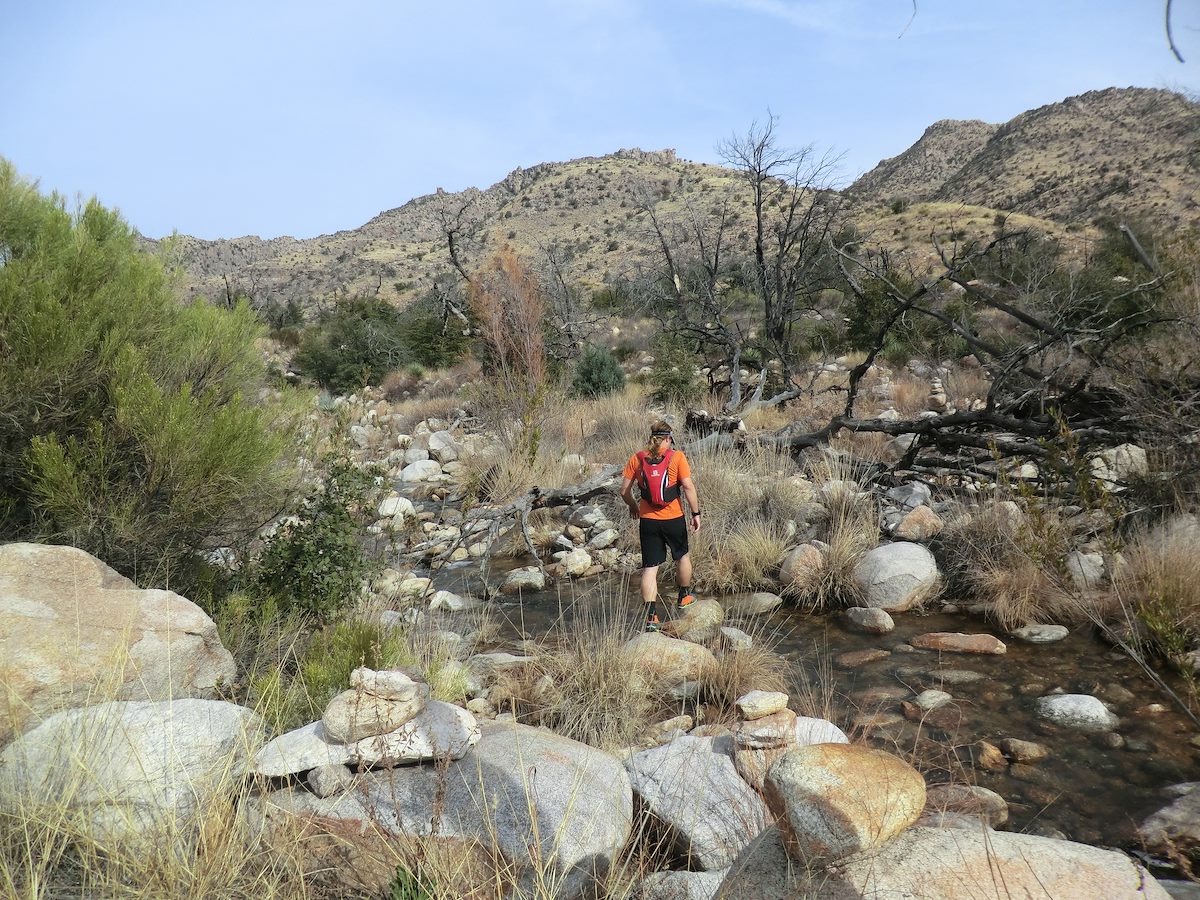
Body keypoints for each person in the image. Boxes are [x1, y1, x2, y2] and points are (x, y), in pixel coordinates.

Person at [620, 420, 701, 632]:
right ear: (668, 438)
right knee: (682, 556)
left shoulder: (638, 458)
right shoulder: (677, 457)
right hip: (673, 518)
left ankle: (651, 617)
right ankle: (684, 596)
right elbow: (688, 486)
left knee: (650, 568)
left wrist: (634, 506)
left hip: (648, 520)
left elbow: (624, 491)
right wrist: (696, 513)